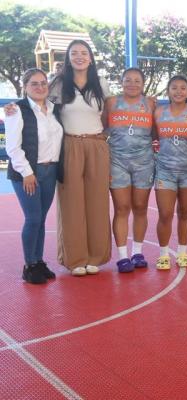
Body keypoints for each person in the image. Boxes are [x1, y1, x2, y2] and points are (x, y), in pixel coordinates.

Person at [51, 40, 112, 276]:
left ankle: (95, 256)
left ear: (90, 58)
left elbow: (110, 113)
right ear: (68, 58)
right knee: (71, 202)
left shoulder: (101, 83)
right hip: (69, 145)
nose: (79, 56)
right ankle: (75, 258)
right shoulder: (58, 83)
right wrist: (17, 108)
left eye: (83, 53)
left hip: (96, 144)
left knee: (97, 200)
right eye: (74, 53)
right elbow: (42, 108)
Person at [6, 68, 63, 284]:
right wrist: (27, 173)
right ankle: (29, 265)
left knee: (40, 220)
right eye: (34, 84)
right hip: (28, 172)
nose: (40, 87)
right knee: (33, 219)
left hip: (50, 171)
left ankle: (39, 262)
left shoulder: (53, 108)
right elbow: (13, 147)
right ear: (25, 87)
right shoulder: (16, 110)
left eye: (43, 83)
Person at [105, 67, 156, 273]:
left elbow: (157, 132)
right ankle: (123, 256)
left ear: (143, 84)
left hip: (144, 161)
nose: (132, 84)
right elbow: (101, 128)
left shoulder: (151, 103)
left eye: (136, 80)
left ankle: (138, 252)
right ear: (121, 82)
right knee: (121, 208)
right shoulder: (111, 102)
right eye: (128, 80)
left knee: (140, 207)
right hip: (117, 161)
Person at [153, 75, 187, 270]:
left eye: (183, 88)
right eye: (174, 88)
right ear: (168, 91)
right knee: (165, 214)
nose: (178, 91)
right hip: (165, 169)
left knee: (184, 212)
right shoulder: (158, 113)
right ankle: (163, 254)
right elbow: (150, 136)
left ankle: (182, 252)